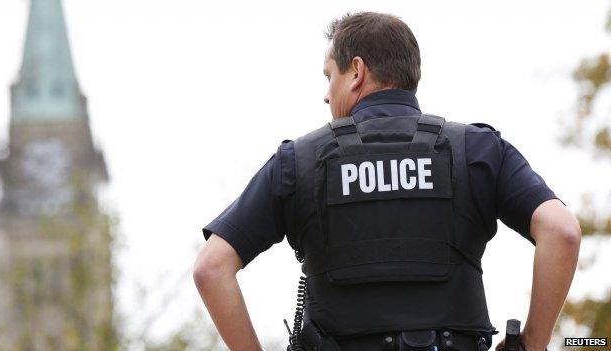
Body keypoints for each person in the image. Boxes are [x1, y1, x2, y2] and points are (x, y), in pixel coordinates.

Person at [193, 12, 581, 351]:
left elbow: (211, 269)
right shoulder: (477, 149)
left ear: (357, 72)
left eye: (330, 76)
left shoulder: (299, 160)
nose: (326, 96)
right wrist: (533, 342)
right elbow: (562, 231)